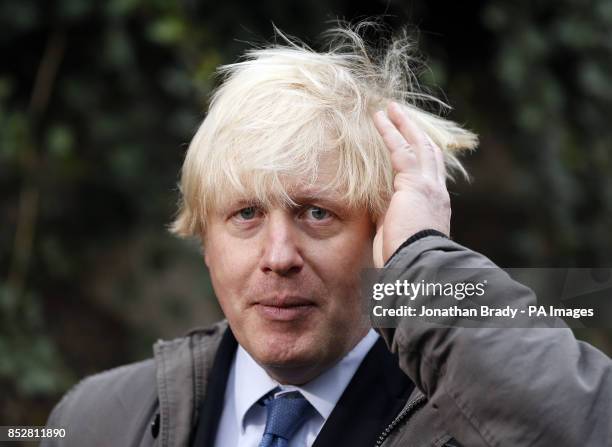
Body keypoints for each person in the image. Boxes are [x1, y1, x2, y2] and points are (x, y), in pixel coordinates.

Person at [43, 23, 611, 447]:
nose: (279, 256)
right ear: (203, 235)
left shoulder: (470, 423)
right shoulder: (95, 419)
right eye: (245, 214)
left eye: (317, 214)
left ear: (384, 230)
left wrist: (423, 267)